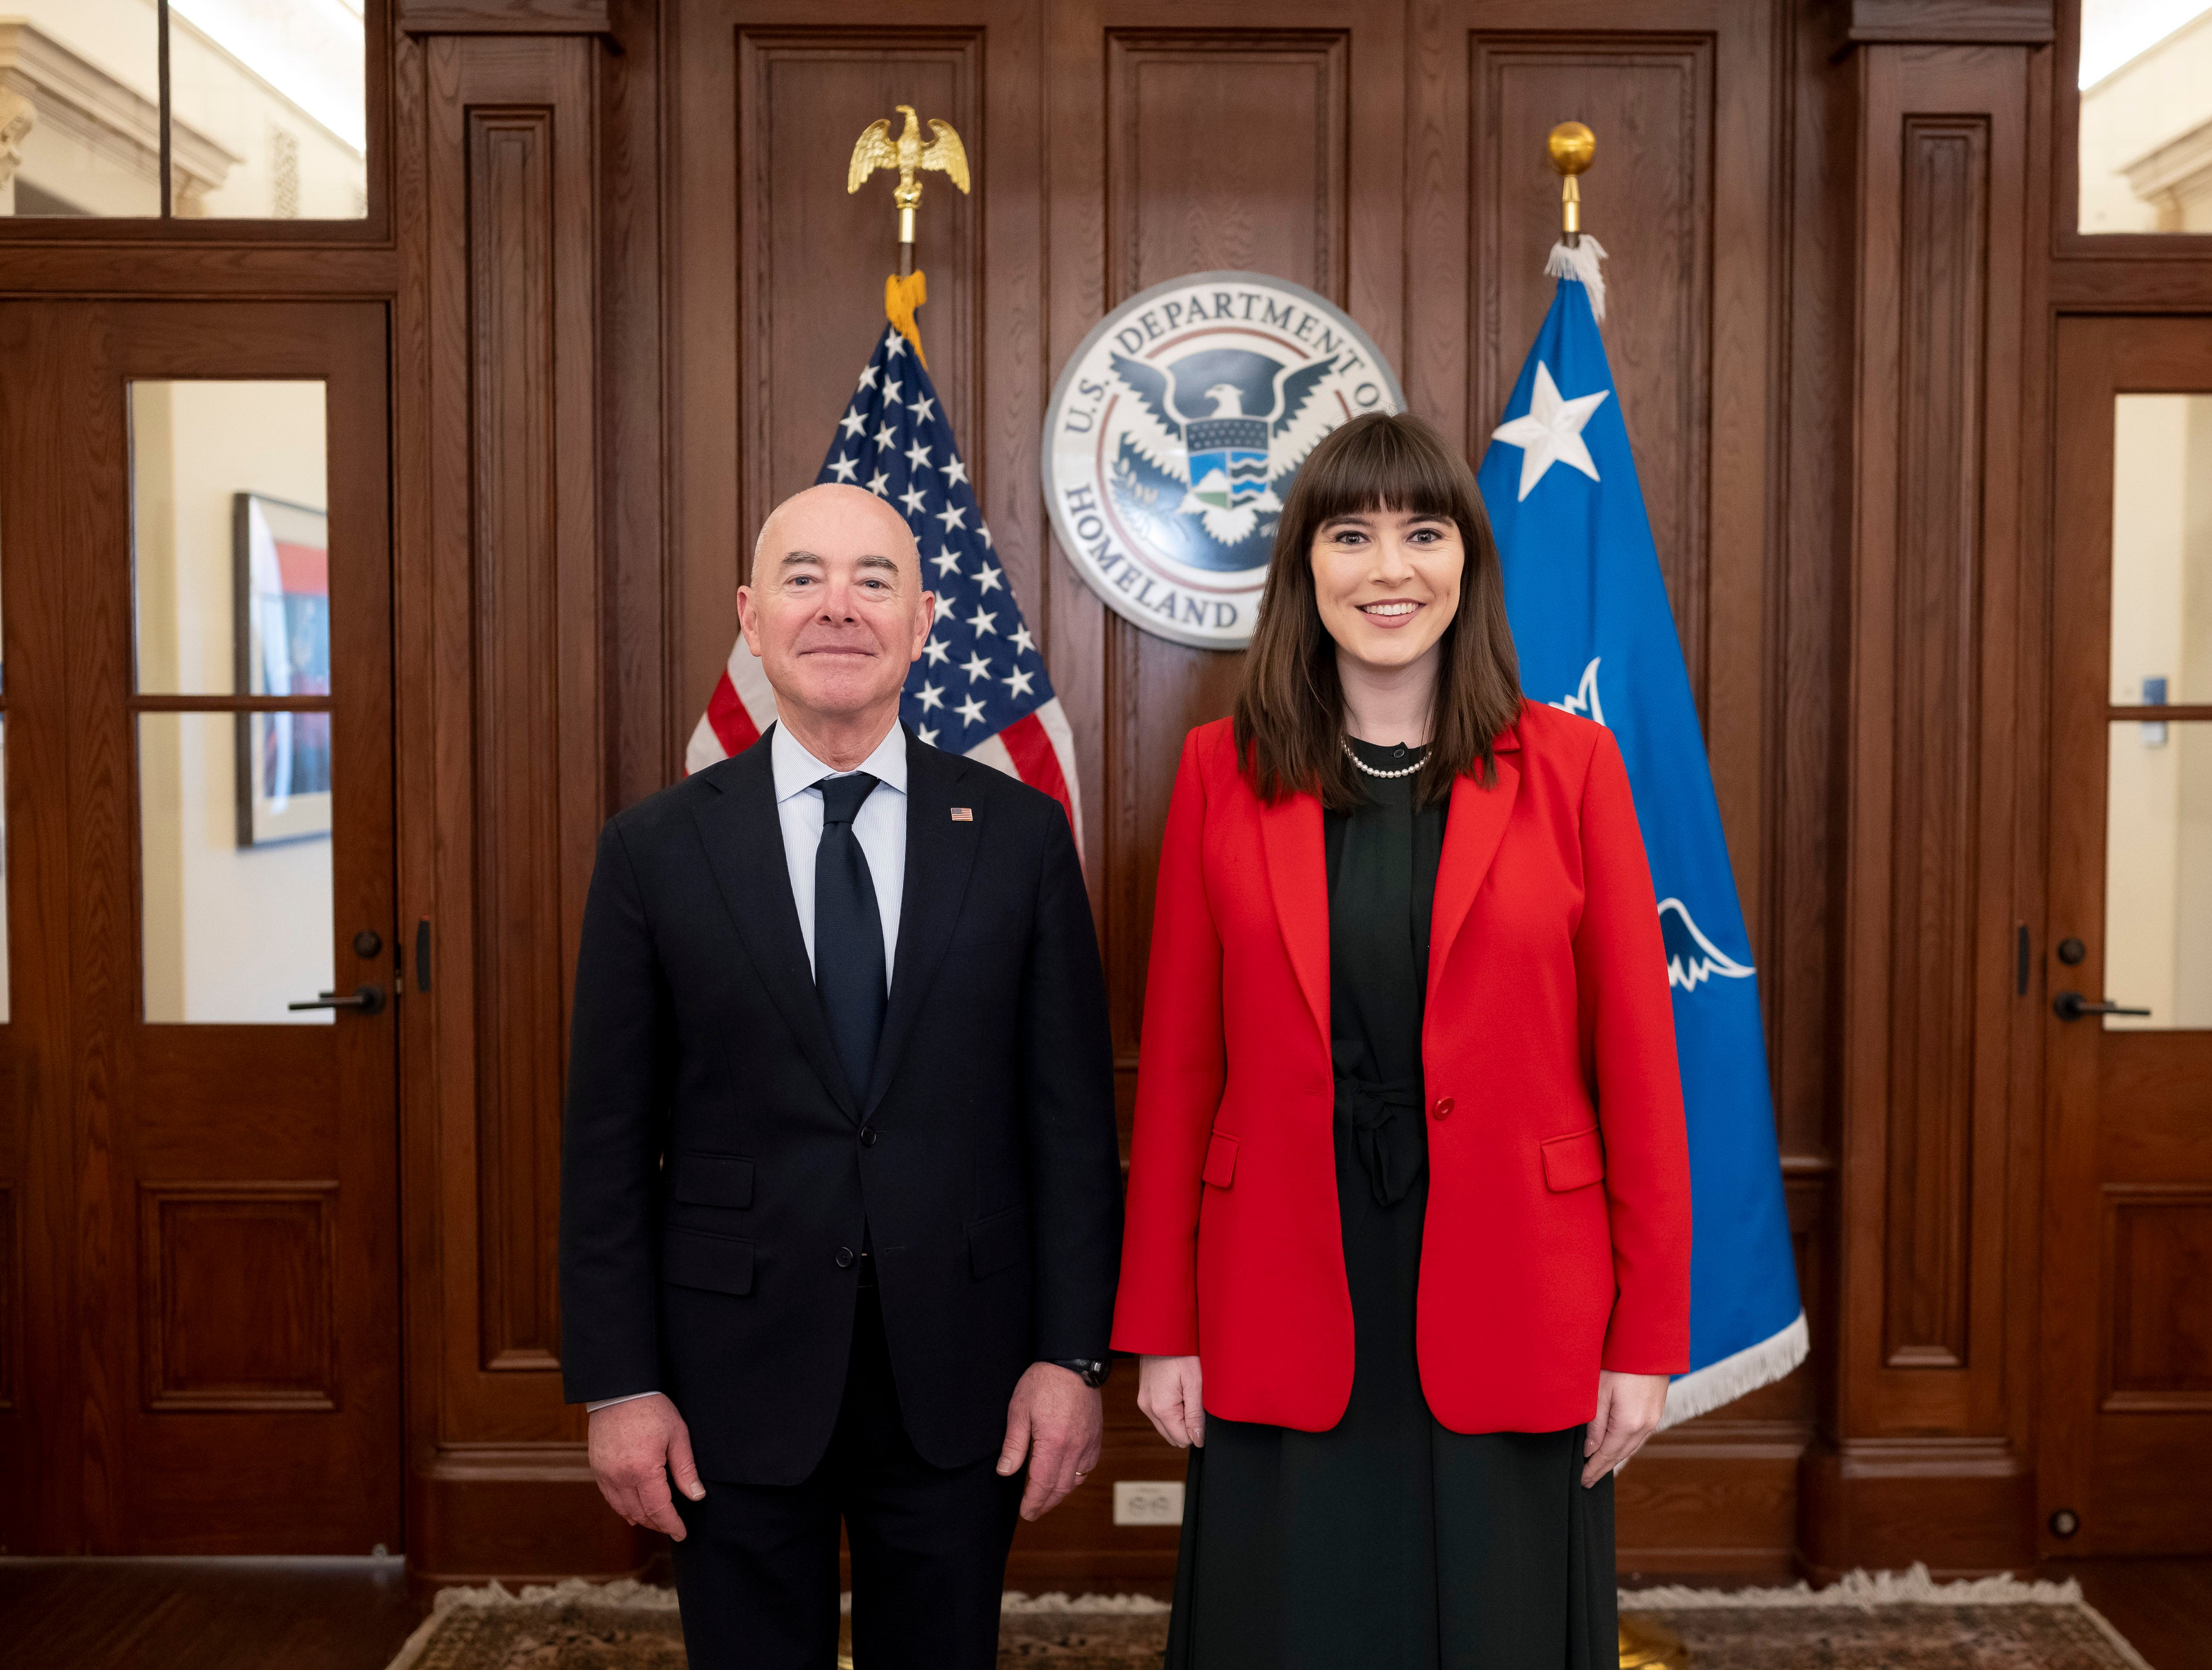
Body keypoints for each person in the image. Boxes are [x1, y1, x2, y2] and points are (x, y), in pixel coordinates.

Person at [1113, 413, 1692, 1669]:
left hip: (1518, 1284)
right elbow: (1180, 1071)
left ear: (1467, 563)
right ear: (1303, 568)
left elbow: (1640, 1074)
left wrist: (1645, 1340)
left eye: (1423, 533)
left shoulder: (1573, 767)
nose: (1390, 569)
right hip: (1282, 1282)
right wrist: (1162, 1322)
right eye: (1351, 536)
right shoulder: (1220, 770)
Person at [559, 483, 1122, 1669]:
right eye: (803, 577)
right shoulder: (654, 848)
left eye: (874, 580)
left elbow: (1071, 1131)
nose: (838, 607)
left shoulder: (1019, 838)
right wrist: (618, 1386)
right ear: (751, 617)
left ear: (923, 623)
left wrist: (1071, 1359)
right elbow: (605, 1146)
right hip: (727, 1376)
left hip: (963, 1375)